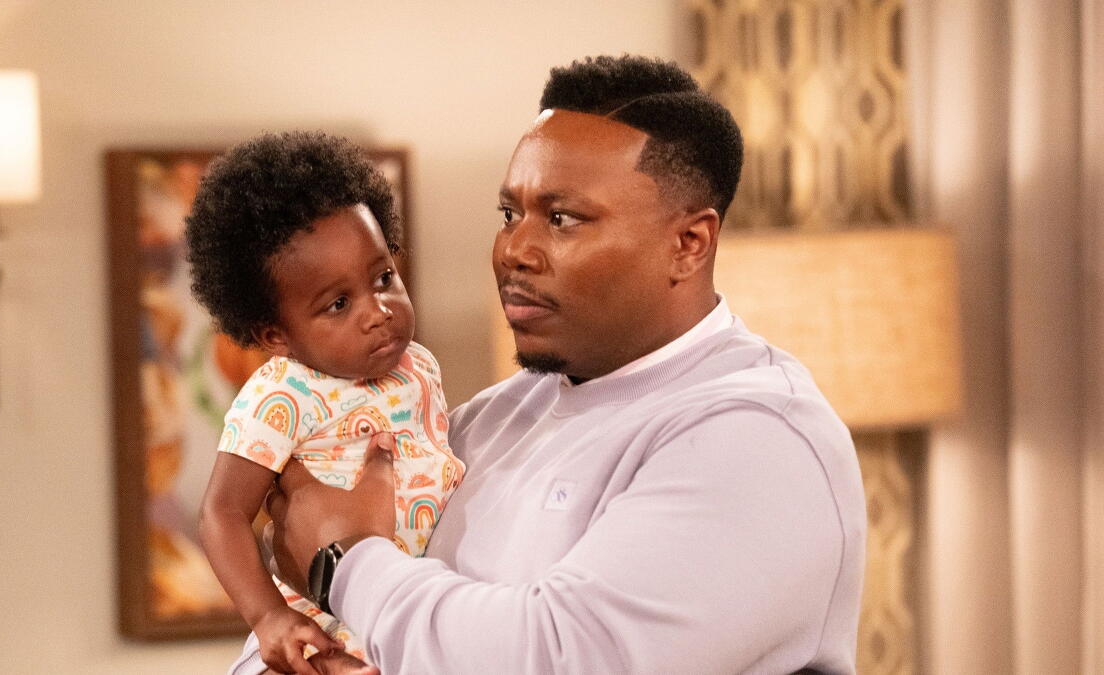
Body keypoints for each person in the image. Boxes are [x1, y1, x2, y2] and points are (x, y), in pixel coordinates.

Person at [241, 55, 867, 674]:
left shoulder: (761, 437)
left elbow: (560, 658)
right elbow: (289, 636)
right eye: (510, 214)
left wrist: (346, 561)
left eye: (562, 219)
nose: (514, 250)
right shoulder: (486, 421)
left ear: (688, 243)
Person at [186, 131, 464, 675]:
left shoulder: (418, 365)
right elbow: (222, 513)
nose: (378, 311)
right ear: (275, 335)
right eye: (338, 304)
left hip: (411, 610)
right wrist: (269, 617)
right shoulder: (280, 395)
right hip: (325, 626)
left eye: (383, 278)